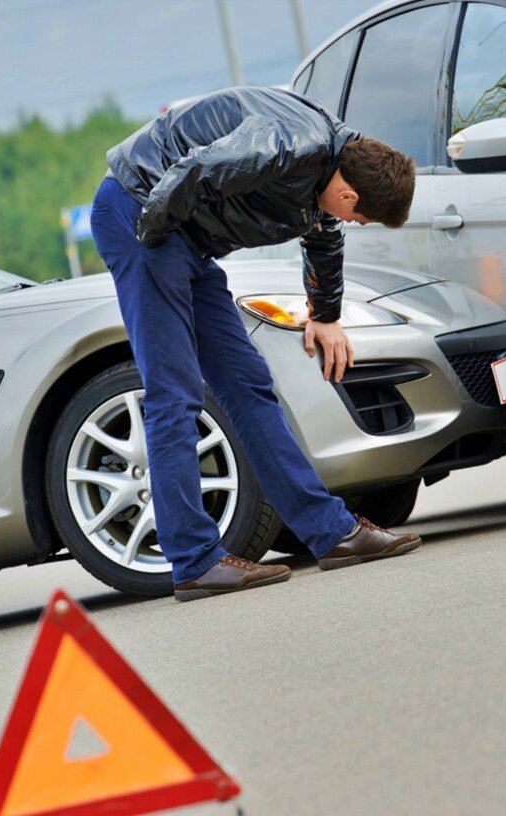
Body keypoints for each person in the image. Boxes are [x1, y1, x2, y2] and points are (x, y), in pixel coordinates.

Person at [90, 86, 421, 601]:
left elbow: (323, 232)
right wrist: (152, 245)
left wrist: (326, 315)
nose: (355, 224)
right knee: (174, 392)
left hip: (185, 237)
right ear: (351, 194)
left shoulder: (335, 163)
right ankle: (195, 561)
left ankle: (331, 534)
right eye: (363, 218)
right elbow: (194, 171)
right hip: (143, 215)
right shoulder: (285, 146)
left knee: (249, 384)